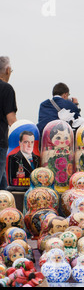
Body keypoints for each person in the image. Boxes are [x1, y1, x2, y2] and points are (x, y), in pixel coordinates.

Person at [0, 56, 17, 190]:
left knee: (4, 187)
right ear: (7, 70)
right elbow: (11, 119)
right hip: (0, 142)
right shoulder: (6, 88)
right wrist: (25, 133)